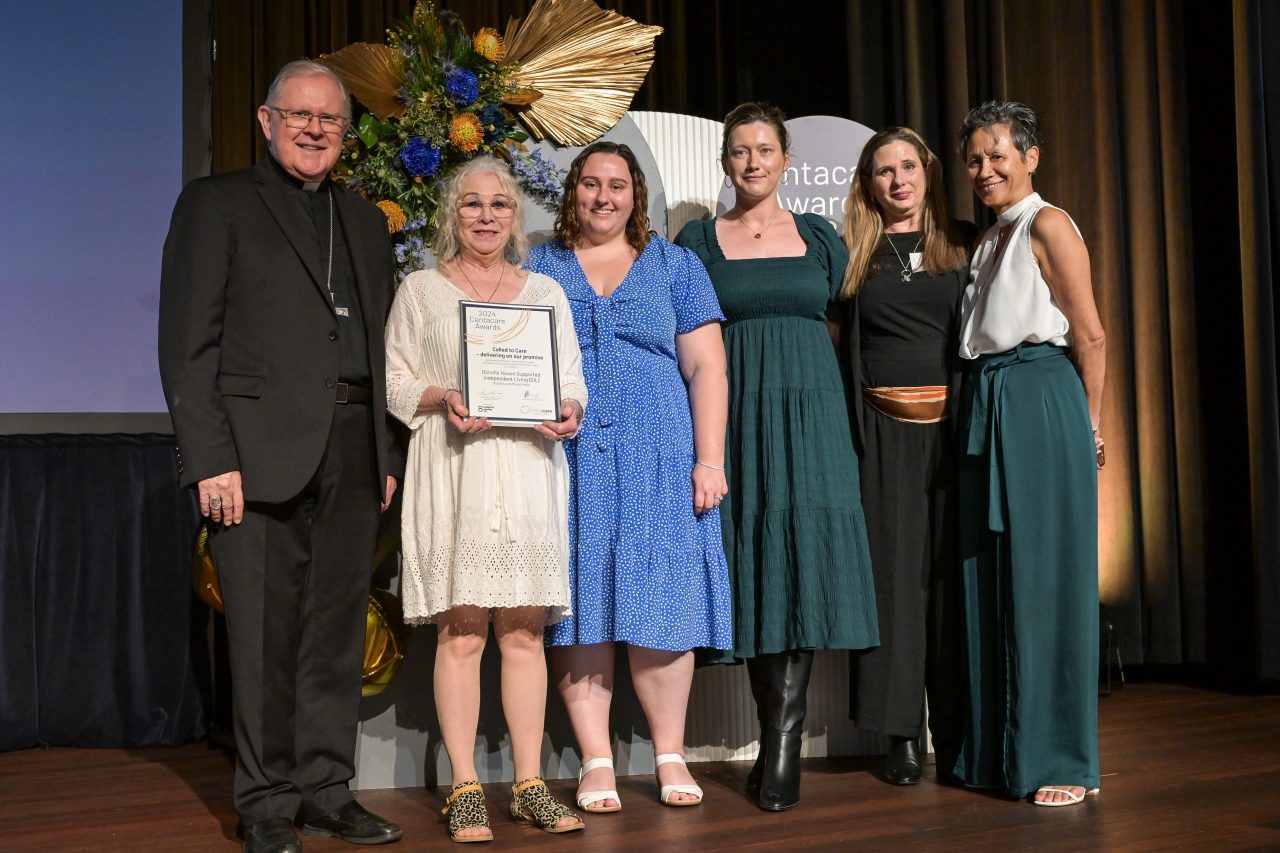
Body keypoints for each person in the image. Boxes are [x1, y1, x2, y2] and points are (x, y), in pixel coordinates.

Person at [158, 60, 403, 852]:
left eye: (329, 119)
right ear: (266, 122)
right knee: (263, 639)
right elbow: (187, 347)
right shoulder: (216, 204)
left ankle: (328, 789)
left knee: (335, 632)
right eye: (298, 115)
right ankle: (265, 805)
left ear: (344, 132)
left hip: (355, 453)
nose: (313, 129)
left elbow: (381, 346)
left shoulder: (365, 220)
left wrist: (386, 450)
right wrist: (209, 457)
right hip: (254, 457)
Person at [676, 102, 879, 812]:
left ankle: (783, 741)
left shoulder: (822, 237)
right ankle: (774, 730)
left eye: (765, 149)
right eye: (740, 151)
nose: (753, 161)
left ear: (786, 160)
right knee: (756, 564)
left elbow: (842, 329)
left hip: (812, 414)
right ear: (726, 162)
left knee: (803, 561)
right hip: (736, 414)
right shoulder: (698, 240)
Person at [383, 157, 587, 842]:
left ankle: (530, 783)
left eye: (499, 204)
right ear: (452, 214)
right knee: (462, 631)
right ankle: (465, 787)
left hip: (528, 475)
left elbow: (571, 383)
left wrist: (566, 409)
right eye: (472, 203)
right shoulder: (420, 291)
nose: (486, 215)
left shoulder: (546, 293)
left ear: (515, 216)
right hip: (455, 473)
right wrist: (443, 395)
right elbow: (395, 383)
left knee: (524, 634)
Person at [526, 140, 732, 814]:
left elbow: (707, 369)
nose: (603, 196)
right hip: (568, 456)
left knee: (662, 595)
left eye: (617, 185)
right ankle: (595, 758)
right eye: (590, 184)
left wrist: (710, 459)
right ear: (572, 193)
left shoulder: (677, 265)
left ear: (636, 195)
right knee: (581, 601)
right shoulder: (541, 266)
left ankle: (669, 751)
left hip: (662, 454)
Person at [953, 100, 1106, 806]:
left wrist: (1090, 427)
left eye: (997, 156)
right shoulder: (990, 239)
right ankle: (1001, 752)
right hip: (990, 400)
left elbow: (1091, 335)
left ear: (1031, 157)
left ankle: (1066, 760)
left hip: (1040, 398)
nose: (985, 170)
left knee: (1047, 583)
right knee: (993, 578)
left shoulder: (1048, 223)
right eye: (975, 160)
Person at [838, 127, 973, 786]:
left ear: (928, 171)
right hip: (882, 436)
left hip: (954, 436)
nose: (897, 180)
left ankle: (955, 728)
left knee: (950, 583)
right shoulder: (852, 257)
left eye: (907, 167)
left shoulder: (968, 245)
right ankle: (899, 733)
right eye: (883, 171)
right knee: (892, 583)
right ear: (869, 183)